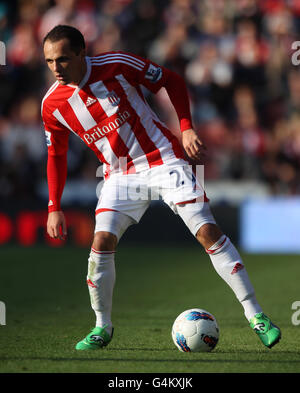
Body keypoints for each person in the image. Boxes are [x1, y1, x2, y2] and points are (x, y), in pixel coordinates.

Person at [42, 25, 281, 350]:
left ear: (82, 53)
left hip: (163, 159)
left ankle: (256, 315)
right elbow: (55, 153)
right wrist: (54, 206)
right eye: (49, 61)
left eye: (63, 59)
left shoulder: (117, 64)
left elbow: (172, 80)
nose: (56, 68)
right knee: (100, 242)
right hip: (119, 174)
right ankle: (102, 326)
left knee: (207, 231)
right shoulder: (52, 105)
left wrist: (185, 128)